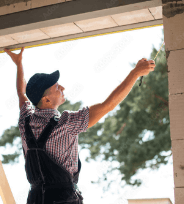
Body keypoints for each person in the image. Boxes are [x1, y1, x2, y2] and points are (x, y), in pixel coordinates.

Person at [4, 46, 155, 204]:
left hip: (35, 199)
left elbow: (21, 93)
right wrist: (135, 73)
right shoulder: (66, 123)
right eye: (56, 87)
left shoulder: (25, 121)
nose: (62, 88)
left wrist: (19, 64)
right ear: (46, 99)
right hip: (63, 199)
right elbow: (108, 105)